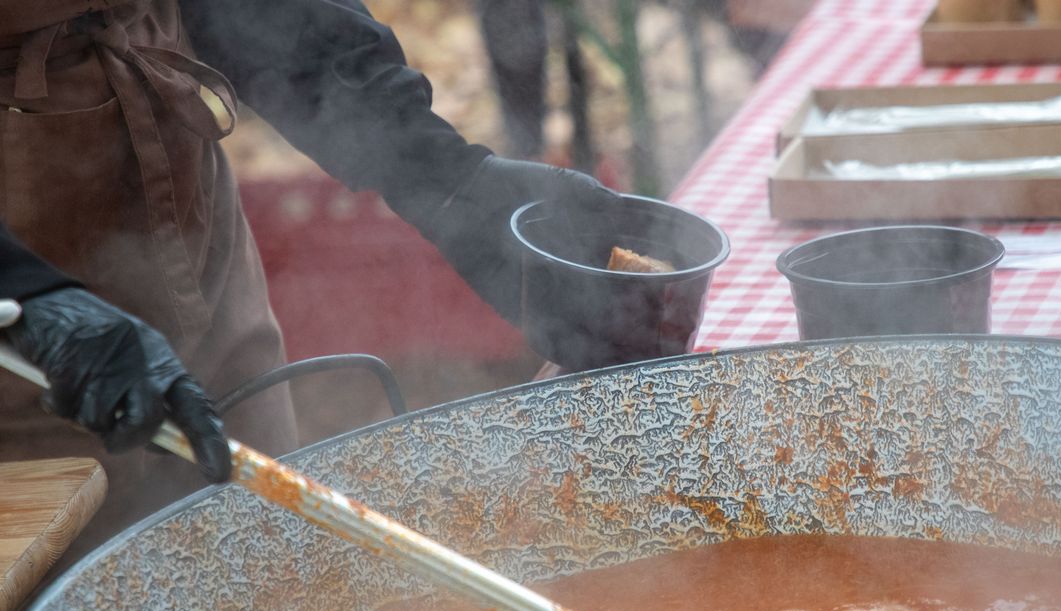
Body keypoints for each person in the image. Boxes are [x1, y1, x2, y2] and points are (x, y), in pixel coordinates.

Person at [0, 0, 619, 560]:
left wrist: (446, 176)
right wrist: (27, 298)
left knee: (272, 562)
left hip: (180, 199)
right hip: (17, 343)